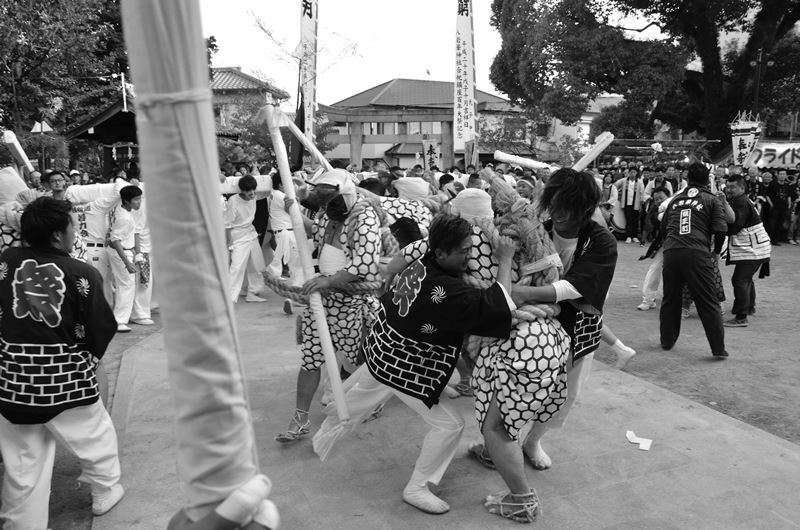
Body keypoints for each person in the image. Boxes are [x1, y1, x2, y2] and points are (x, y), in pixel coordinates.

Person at [312, 214, 516, 516]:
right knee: (451, 425)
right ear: (442, 252)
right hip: (404, 364)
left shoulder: (422, 258)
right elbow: (501, 302)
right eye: (463, 251)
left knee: (357, 396)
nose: (469, 256)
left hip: (384, 347)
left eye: (470, 248)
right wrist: (507, 258)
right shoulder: (445, 290)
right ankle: (418, 487)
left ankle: (326, 427)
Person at [0, 197, 124, 528]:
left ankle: (22, 523)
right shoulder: (81, 272)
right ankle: (104, 491)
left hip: (12, 382)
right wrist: (89, 357)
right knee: (95, 438)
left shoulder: (5, 261)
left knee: (23, 464)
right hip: (64, 379)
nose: (75, 232)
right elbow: (101, 326)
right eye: (73, 226)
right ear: (58, 235)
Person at [276, 169, 382, 443]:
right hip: (322, 299)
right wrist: (296, 211)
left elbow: (364, 264)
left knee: (357, 361)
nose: (326, 207)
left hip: (352, 301)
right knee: (311, 358)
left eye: (331, 201)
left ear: (346, 196)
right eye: (323, 203)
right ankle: (300, 419)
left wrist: (330, 280)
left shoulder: (365, 218)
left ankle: (373, 400)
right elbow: (318, 232)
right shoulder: (327, 214)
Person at [659, 163, 729, 358]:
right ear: (708, 180)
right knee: (708, 300)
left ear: (687, 179)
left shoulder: (675, 200)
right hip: (697, 252)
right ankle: (718, 348)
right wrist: (715, 252)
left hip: (672, 252)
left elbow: (663, 227)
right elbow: (721, 229)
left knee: (671, 298)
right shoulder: (711, 199)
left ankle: (667, 340)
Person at [722, 175, 771, 327]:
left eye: (733, 187)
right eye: (728, 186)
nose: (729, 190)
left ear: (742, 188)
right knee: (746, 278)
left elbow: (736, 226)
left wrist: (719, 229)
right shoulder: (740, 200)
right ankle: (749, 307)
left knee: (740, 279)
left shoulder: (741, 201)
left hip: (753, 248)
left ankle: (741, 316)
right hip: (757, 247)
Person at [224, 175, 268, 304]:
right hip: (237, 236)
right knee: (236, 267)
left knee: (257, 264)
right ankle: (229, 298)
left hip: (251, 234)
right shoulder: (234, 200)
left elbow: (268, 190)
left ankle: (252, 292)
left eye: (254, 190)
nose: (252, 193)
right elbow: (227, 224)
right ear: (242, 190)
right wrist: (230, 242)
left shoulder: (255, 196)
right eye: (249, 191)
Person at [107, 185, 143, 332]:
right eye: (136, 199)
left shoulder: (123, 210)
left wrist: (137, 254)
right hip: (121, 252)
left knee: (125, 285)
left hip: (124, 250)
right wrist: (127, 262)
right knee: (126, 285)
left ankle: (120, 318)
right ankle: (119, 320)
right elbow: (115, 240)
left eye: (140, 198)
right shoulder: (124, 218)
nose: (139, 202)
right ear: (127, 201)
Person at [267, 172, 301, 314]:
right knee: (298, 266)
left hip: (281, 233)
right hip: (288, 233)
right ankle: (293, 298)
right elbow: (294, 212)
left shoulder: (272, 195)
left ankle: (296, 295)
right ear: (282, 184)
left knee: (295, 266)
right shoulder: (281, 196)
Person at [637, 187, 672, 310]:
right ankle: (648, 299)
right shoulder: (655, 211)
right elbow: (654, 222)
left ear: (669, 197)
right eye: (656, 199)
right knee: (655, 268)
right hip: (665, 243)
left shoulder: (679, 206)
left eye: (661, 198)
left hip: (682, 245)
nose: (658, 201)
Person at [616, 167, 645, 243]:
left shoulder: (639, 182)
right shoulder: (624, 181)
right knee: (628, 220)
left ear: (636, 173)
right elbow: (615, 185)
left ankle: (634, 236)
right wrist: (618, 195)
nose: (632, 174)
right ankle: (628, 236)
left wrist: (641, 203)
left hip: (636, 203)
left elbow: (642, 193)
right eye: (631, 172)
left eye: (634, 172)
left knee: (635, 220)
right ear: (628, 173)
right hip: (627, 203)